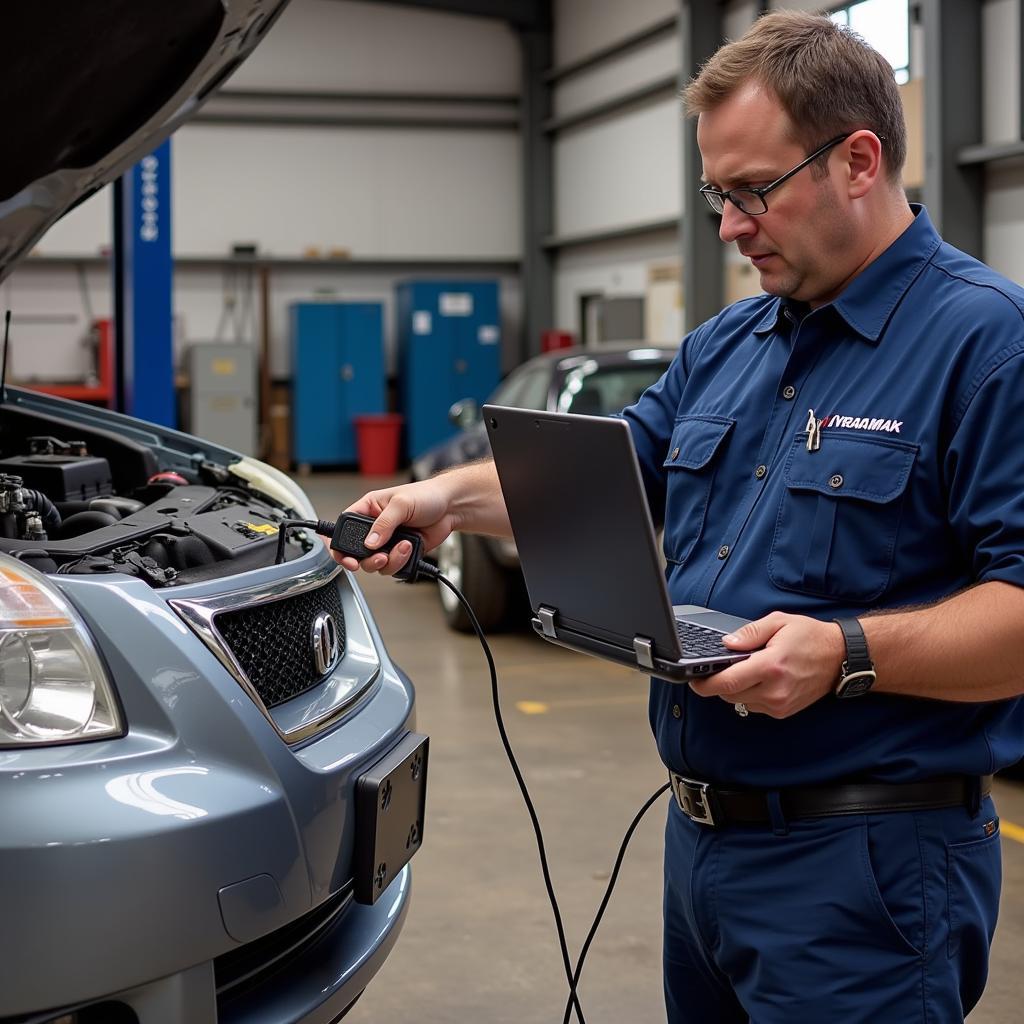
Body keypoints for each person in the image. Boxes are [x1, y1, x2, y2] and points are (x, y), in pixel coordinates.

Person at [334, 11, 1024, 1022]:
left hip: (865, 869)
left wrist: (845, 651)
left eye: (753, 191)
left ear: (859, 160)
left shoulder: (983, 343)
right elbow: (602, 480)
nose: (729, 227)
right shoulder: (727, 345)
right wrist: (442, 498)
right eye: (717, 193)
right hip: (700, 845)